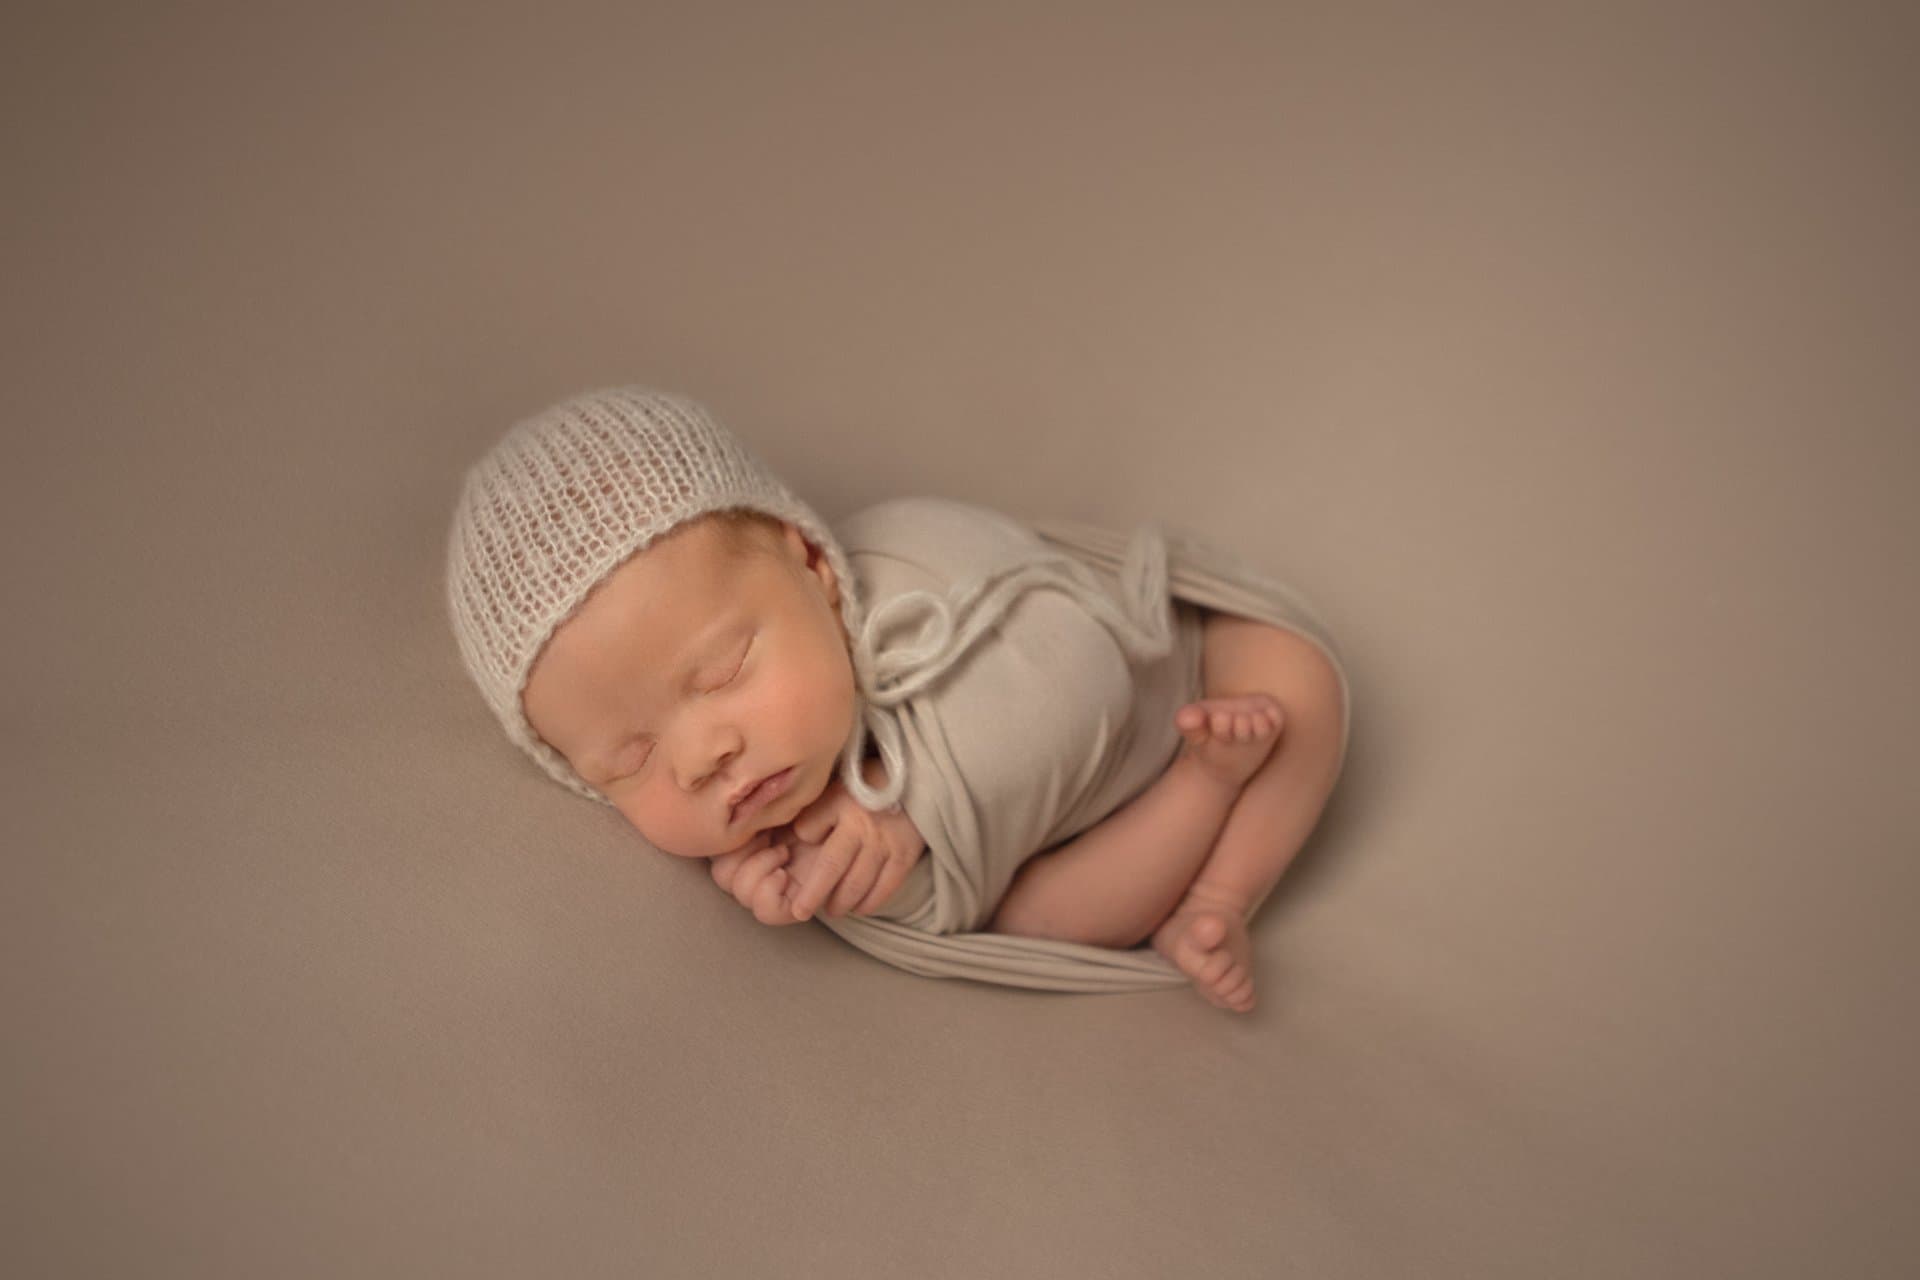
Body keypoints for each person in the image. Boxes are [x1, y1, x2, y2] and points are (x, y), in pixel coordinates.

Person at [445, 387, 1349, 1012]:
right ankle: (1204, 831)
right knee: (1040, 918)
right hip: (1093, 834)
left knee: (1295, 677)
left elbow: (1082, 673)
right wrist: (848, 888)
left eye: (720, 673)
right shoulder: (779, 826)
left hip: (1170, 673)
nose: (700, 756)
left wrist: (911, 815)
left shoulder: (913, 564)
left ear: (808, 565)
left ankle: (1228, 884)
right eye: (628, 761)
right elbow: (958, 909)